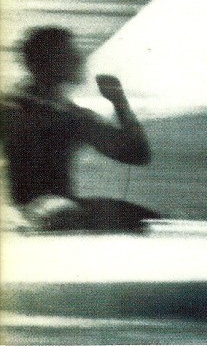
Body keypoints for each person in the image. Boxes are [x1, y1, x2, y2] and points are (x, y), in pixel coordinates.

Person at [1, 27, 157, 231]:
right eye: (70, 55)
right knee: (141, 220)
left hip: (52, 210)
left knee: (145, 219)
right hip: (43, 212)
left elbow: (137, 154)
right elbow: (138, 154)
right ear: (49, 63)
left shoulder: (72, 116)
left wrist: (119, 102)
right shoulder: (65, 116)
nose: (80, 60)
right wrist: (120, 103)